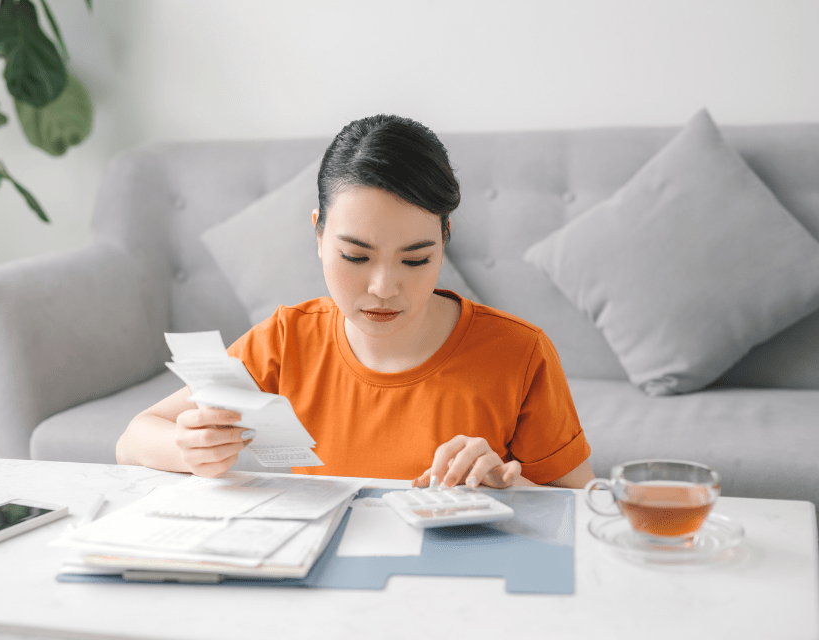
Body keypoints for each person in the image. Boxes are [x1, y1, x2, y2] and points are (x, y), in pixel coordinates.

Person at [117, 114, 594, 491]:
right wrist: (189, 449)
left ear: (444, 240)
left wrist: (510, 490)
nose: (384, 287)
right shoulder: (286, 342)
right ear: (319, 235)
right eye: (355, 256)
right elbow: (133, 438)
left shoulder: (519, 353)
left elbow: (579, 503)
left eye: (415, 259)